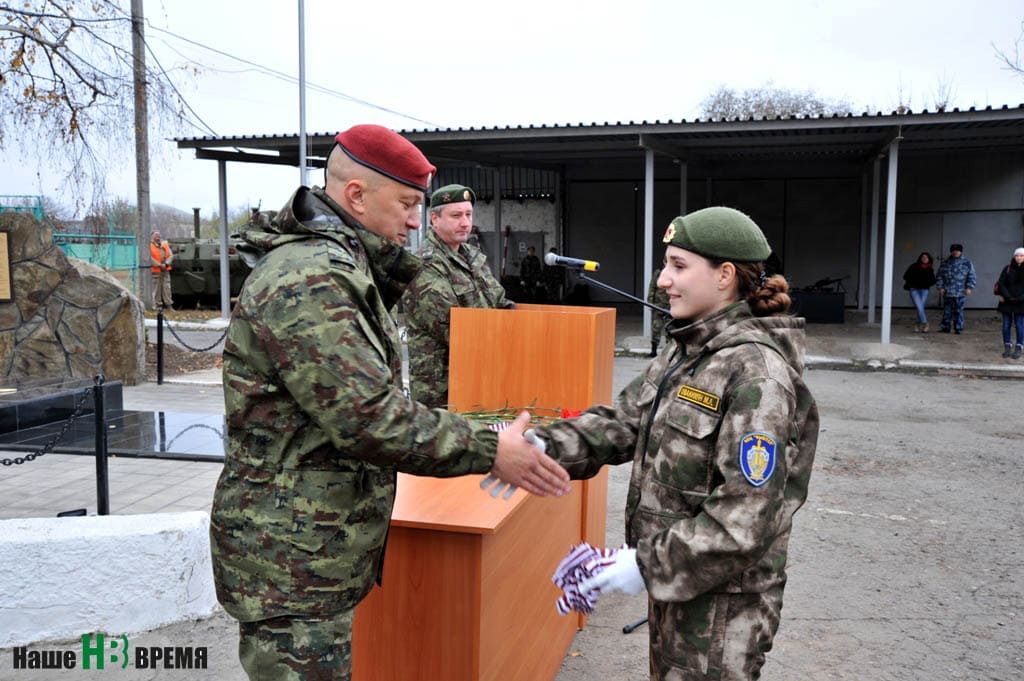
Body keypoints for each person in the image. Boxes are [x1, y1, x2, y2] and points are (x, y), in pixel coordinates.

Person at [209, 125, 569, 681]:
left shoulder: (342, 267)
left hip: (310, 546)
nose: (412, 220)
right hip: (290, 556)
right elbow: (368, 419)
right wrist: (492, 447)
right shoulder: (313, 278)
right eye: (406, 204)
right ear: (355, 195)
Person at [534, 206, 819, 680]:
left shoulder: (755, 373)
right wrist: (536, 445)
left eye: (678, 266)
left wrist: (641, 564)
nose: (663, 280)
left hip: (722, 610)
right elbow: (625, 422)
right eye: (666, 265)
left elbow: (743, 520)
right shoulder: (686, 349)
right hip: (680, 584)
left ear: (725, 275)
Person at [401, 183, 515, 409]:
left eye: (468, 214)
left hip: (482, 379)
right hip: (443, 393)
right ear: (435, 218)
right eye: (456, 215)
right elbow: (456, 331)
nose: (465, 222)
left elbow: (501, 303)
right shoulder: (424, 266)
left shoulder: (472, 257)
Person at [935, 243, 976, 334]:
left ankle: (958, 328)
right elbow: (939, 276)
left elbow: (972, 276)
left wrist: (969, 287)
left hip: (960, 291)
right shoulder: (945, 263)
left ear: (960, 251)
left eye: (957, 251)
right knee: (947, 310)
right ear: (951, 251)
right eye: (954, 250)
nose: (955, 252)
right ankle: (946, 327)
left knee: (959, 310)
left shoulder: (967, 262)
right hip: (948, 291)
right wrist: (940, 287)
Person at [996, 247, 1024, 359]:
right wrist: (1007, 296)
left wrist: (1020, 298)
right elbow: (1001, 283)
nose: (1019, 257)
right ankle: (1007, 346)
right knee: (1006, 325)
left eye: (1021, 255)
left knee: (1019, 325)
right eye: (1017, 255)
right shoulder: (1007, 268)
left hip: (1021, 302)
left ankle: (1019, 347)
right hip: (1007, 301)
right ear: (1014, 256)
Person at [902, 251, 936, 332]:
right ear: (920, 258)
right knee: (919, 306)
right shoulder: (914, 266)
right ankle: (925, 323)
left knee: (920, 307)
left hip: (924, 290)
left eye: (926, 257)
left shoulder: (930, 268)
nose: (924, 259)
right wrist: (914, 283)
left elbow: (933, 281)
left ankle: (917, 324)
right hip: (914, 289)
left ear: (929, 259)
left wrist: (926, 283)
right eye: (923, 257)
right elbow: (905, 276)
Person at [645, 267, 671, 356]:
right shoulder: (659, 272)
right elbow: (652, 287)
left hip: (671, 306)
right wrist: (650, 302)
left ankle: (669, 352)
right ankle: (653, 351)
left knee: (670, 329)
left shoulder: (676, 272)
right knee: (656, 328)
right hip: (658, 305)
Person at [150, 230, 174, 309]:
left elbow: (170, 255)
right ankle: (158, 305)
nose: (158, 236)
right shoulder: (149, 245)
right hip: (156, 271)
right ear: (152, 236)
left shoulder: (165, 244)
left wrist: (166, 264)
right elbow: (149, 258)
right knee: (157, 290)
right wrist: (159, 265)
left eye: (159, 235)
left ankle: (169, 305)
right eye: (156, 235)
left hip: (165, 270)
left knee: (167, 288)